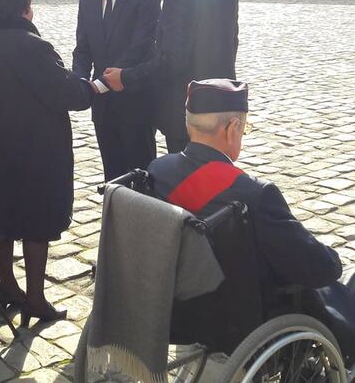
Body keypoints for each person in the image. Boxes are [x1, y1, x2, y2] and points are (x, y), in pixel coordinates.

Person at [148, 79, 355, 358]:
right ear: (233, 129)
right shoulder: (254, 195)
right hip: (243, 320)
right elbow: (317, 267)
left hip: (175, 307)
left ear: (189, 123)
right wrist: (333, 259)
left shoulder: (158, 171)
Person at [0, 0, 93, 320]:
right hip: (35, 151)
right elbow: (67, 94)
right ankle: (35, 298)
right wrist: (93, 87)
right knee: (38, 221)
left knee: (4, 216)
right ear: (25, 9)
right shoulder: (32, 47)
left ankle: (8, 283)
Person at [104, 0, 238, 153]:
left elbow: (172, 61)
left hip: (188, 113)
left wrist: (126, 77)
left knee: (190, 185)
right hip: (222, 106)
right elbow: (231, 44)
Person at [73, 0, 161, 180]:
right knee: (112, 176)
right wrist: (79, 82)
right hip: (103, 109)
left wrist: (97, 85)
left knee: (141, 177)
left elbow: (139, 49)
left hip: (135, 102)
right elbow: (82, 50)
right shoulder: (86, 2)